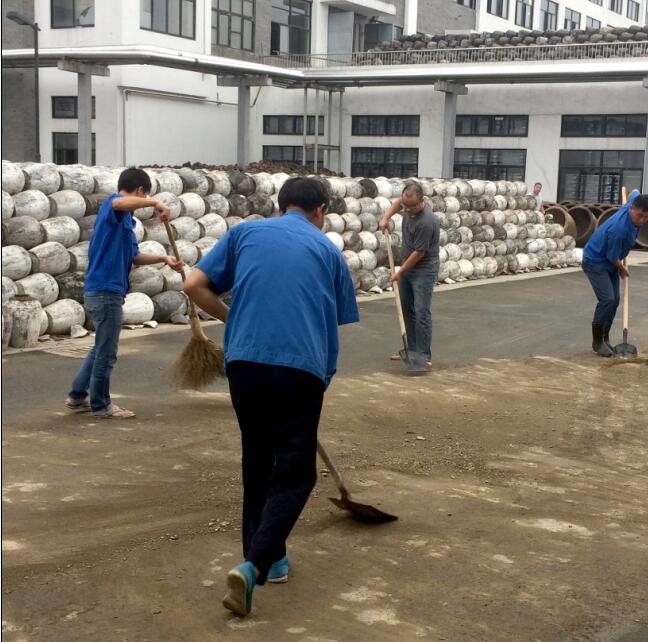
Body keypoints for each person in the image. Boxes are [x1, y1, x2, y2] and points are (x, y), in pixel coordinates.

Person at [183, 177, 359, 616]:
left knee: (258, 459)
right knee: (296, 472)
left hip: (245, 363)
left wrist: (235, 318)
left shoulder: (245, 233)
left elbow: (194, 285)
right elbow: (331, 323)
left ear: (281, 206)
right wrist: (323, 377)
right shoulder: (327, 251)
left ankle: (271, 560)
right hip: (300, 368)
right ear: (320, 211)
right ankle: (254, 565)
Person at [65, 167, 183, 419]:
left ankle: (77, 396)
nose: (145, 201)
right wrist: (156, 202)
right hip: (105, 291)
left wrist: (164, 258)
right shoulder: (114, 205)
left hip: (107, 291)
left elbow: (135, 257)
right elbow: (120, 202)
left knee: (101, 347)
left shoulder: (126, 222)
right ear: (140, 190)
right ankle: (101, 405)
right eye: (145, 195)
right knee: (107, 352)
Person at [581, 190, 648, 357]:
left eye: (647, 217)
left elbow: (634, 192)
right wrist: (622, 268)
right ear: (632, 209)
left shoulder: (632, 204)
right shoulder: (619, 229)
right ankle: (597, 342)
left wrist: (630, 196)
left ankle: (605, 338)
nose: (642, 220)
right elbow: (612, 256)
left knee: (615, 301)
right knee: (607, 299)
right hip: (595, 261)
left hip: (609, 261)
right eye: (639, 215)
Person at [378, 181, 440, 368]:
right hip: (407, 267)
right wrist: (386, 218)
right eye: (405, 206)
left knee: (421, 311)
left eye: (412, 207)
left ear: (422, 201)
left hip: (423, 270)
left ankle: (423, 354)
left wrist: (400, 271)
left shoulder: (427, 221)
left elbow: (419, 253)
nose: (407, 210)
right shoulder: (406, 204)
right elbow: (398, 203)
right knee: (406, 309)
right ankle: (411, 350)